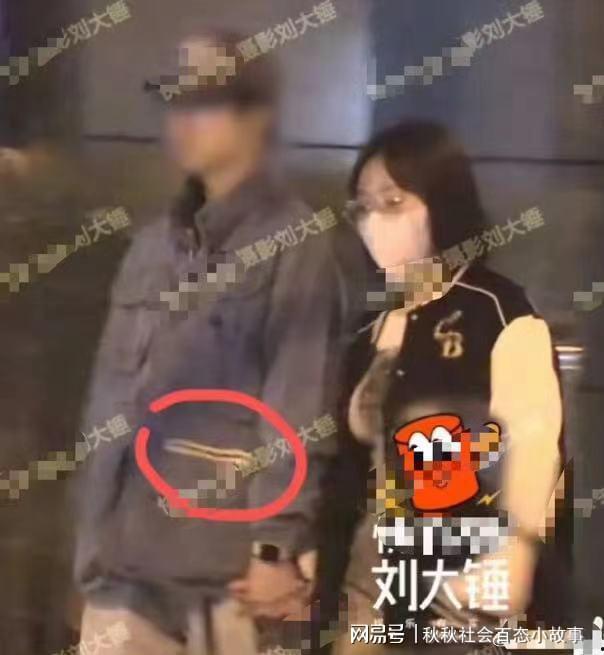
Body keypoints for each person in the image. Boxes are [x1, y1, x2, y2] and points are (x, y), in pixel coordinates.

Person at [74, 31, 345, 655]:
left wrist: (275, 546)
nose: (183, 120)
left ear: (256, 117)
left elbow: (297, 403)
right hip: (123, 569)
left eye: (204, 101)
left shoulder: (295, 244)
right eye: (175, 101)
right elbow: (108, 398)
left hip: (224, 578)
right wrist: (88, 548)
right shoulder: (152, 246)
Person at [332, 120, 568, 653]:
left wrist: (514, 551)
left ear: (442, 202)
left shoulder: (496, 311)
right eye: (363, 207)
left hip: (464, 575)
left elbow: (533, 444)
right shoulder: (369, 329)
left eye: (393, 202)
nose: (374, 222)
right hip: (371, 572)